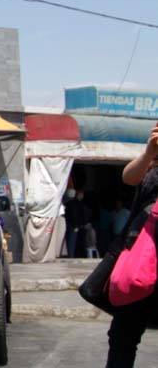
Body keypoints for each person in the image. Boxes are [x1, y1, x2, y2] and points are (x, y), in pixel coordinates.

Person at [105, 126, 158, 368]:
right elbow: (129, 177)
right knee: (122, 337)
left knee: (122, 338)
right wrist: (149, 152)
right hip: (139, 263)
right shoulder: (152, 168)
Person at [65, 189, 90, 258]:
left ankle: (71, 255)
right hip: (73, 226)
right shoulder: (73, 203)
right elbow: (74, 215)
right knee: (71, 242)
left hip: (71, 225)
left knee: (71, 241)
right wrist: (76, 225)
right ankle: (71, 255)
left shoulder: (68, 203)